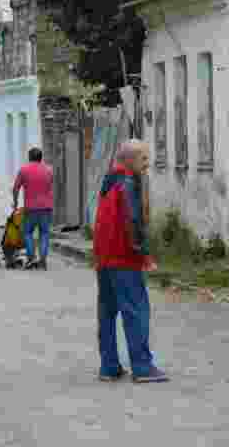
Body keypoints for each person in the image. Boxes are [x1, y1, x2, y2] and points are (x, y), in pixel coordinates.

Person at [92, 139, 169, 383]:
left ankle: (109, 366)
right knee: (136, 310)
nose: (147, 164)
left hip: (103, 258)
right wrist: (143, 253)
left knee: (107, 313)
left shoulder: (109, 181)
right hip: (123, 257)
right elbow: (132, 221)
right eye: (143, 159)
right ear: (128, 159)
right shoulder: (128, 184)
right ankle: (143, 367)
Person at [12, 146, 54, 270]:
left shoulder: (24, 170)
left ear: (30, 158)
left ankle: (31, 258)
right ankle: (43, 261)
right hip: (46, 207)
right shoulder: (49, 170)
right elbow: (50, 186)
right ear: (41, 158)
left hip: (30, 208)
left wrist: (15, 202)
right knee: (44, 233)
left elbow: (15, 188)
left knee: (27, 232)